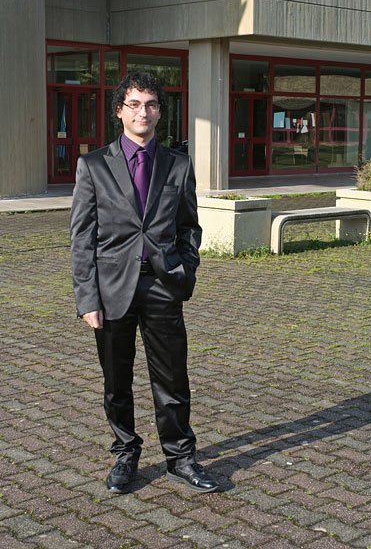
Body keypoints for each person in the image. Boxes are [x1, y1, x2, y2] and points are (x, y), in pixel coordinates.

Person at [70, 71, 219, 494]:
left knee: (172, 380)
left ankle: (180, 458)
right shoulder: (93, 166)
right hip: (111, 291)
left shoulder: (178, 164)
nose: (143, 112)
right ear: (119, 111)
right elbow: (81, 238)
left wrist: (185, 271)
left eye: (151, 104)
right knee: (116, 383)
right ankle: (125, 454)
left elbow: (189, 226)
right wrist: (87, 298)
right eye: (134, 104)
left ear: (159, 112)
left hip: (162, 287)